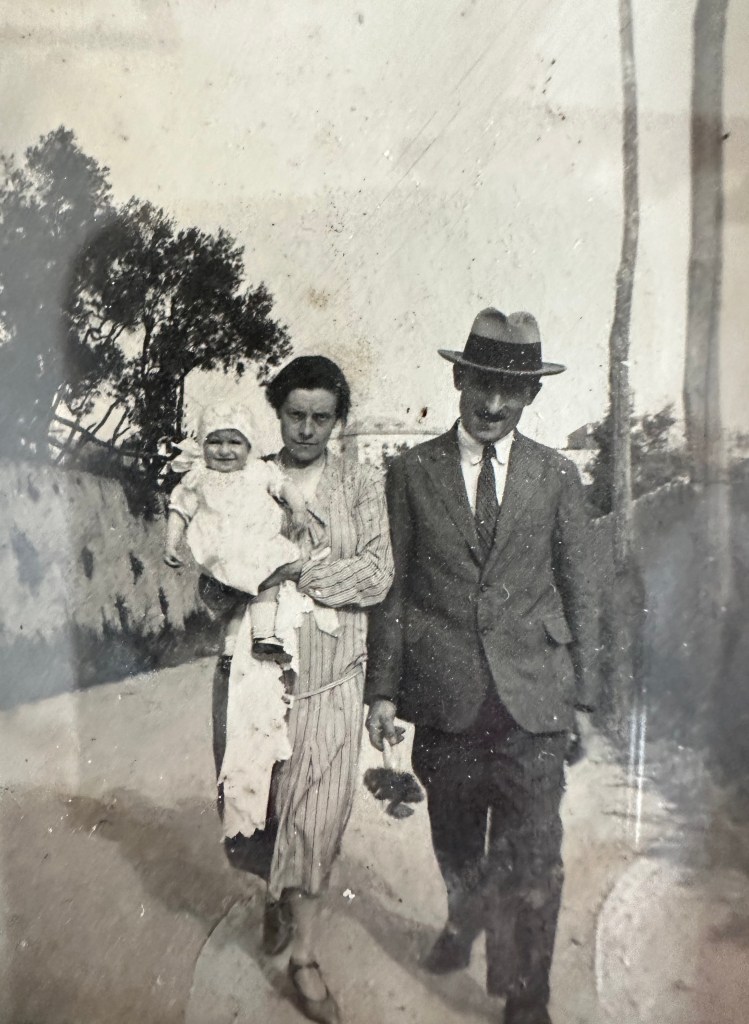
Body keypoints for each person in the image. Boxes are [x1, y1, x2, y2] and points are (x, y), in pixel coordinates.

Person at [365, 309, 599, 1024]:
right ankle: (462, 919)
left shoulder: (557, 476)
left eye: (511, 389)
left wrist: (583, 698)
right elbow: (392, 590)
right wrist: (381, 691)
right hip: (446, 699)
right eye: (482, 385)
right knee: (457, 844)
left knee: (533, 856)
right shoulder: (409, 474)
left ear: (530, 395)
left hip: (533, 700)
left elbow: (580, 587)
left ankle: (525, 996)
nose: (493, 405)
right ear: (458, 379)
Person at [202, 356, 393, 1024]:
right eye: (295, 415)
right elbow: (210, 576)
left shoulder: (361, 482)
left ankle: (305, 956)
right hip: (254, 672)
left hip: (333, 674)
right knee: (257, 803)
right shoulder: (245, 476)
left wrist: (289, 569)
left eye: (321, 417)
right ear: (276, 414)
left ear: (338, 421)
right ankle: (272, 896)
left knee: (318, 812)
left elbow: (374, 575)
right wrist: (236, 573)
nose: (307, 429)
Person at [164, 402, 308, 662]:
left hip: (256, 545)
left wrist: (298, 509)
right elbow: (179, 509)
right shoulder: (198, 476)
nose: (224, 451)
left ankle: (255, 639)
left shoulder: (259, 471)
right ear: (203, 445)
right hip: (220, 547)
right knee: (237, 593)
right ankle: (239, 643)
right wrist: (171, 542)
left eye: (234, 443)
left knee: (264, 582)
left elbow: (284, 487)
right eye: (215, 442)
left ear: (249, 446)